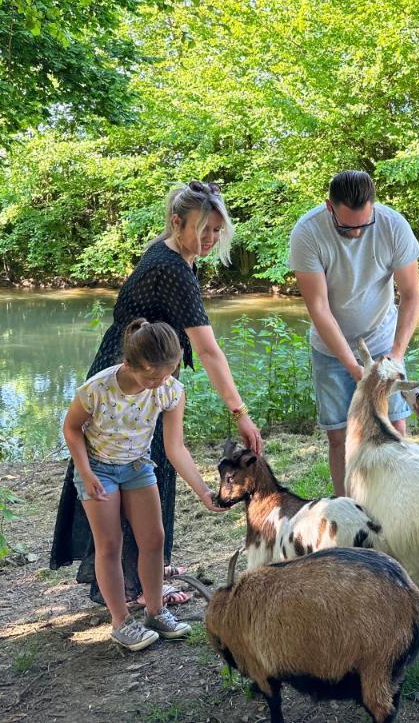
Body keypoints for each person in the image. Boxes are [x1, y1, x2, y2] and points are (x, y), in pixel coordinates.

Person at [50, 181, 264, 607]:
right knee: (128, 468)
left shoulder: (174, 254)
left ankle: (150, 562)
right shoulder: (172, 269)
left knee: (152, 471)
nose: (211, 239)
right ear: (176, 222)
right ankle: (135, 586)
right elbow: (207, 349)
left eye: (217, 231)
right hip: (131, 379)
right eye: (204, 229)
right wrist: (239, 411)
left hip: (141, 371)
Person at [62, 319, 216, 649]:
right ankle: (121, 621)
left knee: (154, 538)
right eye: (151, 375)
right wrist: (86, 472)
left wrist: (203, 491)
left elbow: (175, 447)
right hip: (99, 470)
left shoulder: (169, 390)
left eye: (166, 373)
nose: (158, 382)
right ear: (129, 363)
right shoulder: (97, 389)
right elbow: (72, 429)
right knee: (110, 544)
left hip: (138, 467)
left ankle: (155, 610)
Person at [288, 170, 419, 496]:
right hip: (330, 350)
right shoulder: (307, 233)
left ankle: (396, 507)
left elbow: (412, 295)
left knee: (395, 427)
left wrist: (395, 355)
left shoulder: (393, 226)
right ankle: (347, 512)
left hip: (381, 340)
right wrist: (353, 366)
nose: (358, 233)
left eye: (365, 224)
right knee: (339, 435)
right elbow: (319, 308)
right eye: (348, 226)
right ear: (328, 207)